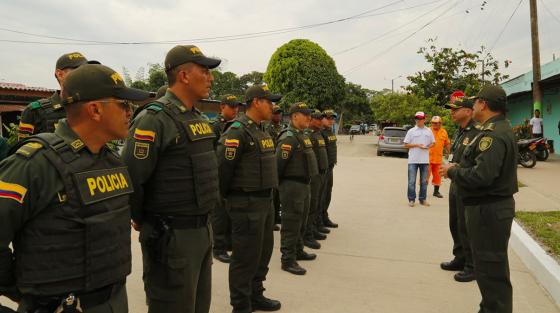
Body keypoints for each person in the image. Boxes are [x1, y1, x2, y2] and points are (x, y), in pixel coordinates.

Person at [0, 64, 150, 312]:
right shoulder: (35, 164)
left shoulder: (111, 161)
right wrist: (20, 290)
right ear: (95, 110)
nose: (130, 112)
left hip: (113, 300)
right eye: (123, 104)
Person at [122, 45, 221, 313]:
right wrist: (146, 221)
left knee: (199, 305)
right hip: (171, 236)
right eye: (204, 71)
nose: (211, 77)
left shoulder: (196, 117)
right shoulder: (154, 119)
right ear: (184, 76)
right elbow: (132, 178)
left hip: (201, 231)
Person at [441, 85, 518, 313]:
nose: (472, 105)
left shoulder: (493, 135)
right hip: (486, 209)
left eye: (475, 102)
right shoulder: (495, 130)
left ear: (483, 104)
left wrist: (453, 172)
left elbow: (482, 176)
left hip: (489, 211)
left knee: (491, 271)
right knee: (488, 270)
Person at [217, 85, 282, 313]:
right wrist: (230, 201)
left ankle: (256, 294)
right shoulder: (237, 131)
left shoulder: (261, 130)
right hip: (245, 204)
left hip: (264, 203)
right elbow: (223, 171)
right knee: (244, 259)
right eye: (269, 102)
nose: (272, 107)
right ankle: (241, 305)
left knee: (262, 254)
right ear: (256, 102)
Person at [439, 96, 479, 283]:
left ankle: (472, 266)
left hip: (467, 184)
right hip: (456, 182)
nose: (452, 112)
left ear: (469, 111)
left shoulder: (477, 132)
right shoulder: (460, 131)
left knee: (466, 226)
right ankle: (460, 257)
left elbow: (476, 162)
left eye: (456, 109)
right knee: (454, 223)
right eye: (451, 109)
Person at [276, 102, 318, 275]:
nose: (309, 118)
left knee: (301, 221)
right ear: (294, 116)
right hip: (292, 186)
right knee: (291, 223)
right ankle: (287, 259)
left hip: (304, 185)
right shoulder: (288, 137)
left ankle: (298, 250)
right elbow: (278, 166)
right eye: (305, 114)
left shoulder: (302, 135)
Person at [17, 52, 98, 141]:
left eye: (86, 71)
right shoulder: (34, 111)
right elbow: (23, 150)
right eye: (78, 71)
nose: (84, 75)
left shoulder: (93, 108)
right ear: (60, 74)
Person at [211, 94, 242, 264]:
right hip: (218, 173)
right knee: (219, 214)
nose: (236, 110)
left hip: (230, 174)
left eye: (237, 106)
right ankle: (218, 248)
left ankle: (227, 242)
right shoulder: (216, 126)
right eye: (232, 106)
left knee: (229, 212)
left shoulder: (234, 126)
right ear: (222, 107)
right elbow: (211, 151)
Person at [303, 110, 329, 250]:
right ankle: (307, 235)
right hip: (314, 175)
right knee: (311, 205)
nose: (320, 121)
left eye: (321, 119)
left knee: (317, 202)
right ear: (311, 120)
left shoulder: (318, 134)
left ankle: (312, 229)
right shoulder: (308, 135)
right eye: (318, 119)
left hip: (322, 173)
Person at [403, 111, 435, 207]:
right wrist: (416, 145)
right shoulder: (411, 131)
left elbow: (433, 142)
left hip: (425, 160)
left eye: (420, 118)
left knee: (424, 181)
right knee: (411, 181)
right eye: (417, 118)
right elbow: (405, 145)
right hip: (413, 160)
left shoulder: (429, 131)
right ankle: (411, 199)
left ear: (424, 119)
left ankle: (422, 199)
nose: (418, 120)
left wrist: (428, 146)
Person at [319, 109, 339, 229]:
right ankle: (319, 220)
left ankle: (324, 216)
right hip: (323, 168)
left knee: (327, 194)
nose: (331, 120)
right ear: (323, 118)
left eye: (333, 118)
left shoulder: (330, 131)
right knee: (321, 195)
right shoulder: (320, 132)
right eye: (329, 118)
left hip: (330, 166)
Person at [267, 105, 285, 230]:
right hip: (271, 162)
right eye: (276, 113)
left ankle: (277, 217)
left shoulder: (282, 127)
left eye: (279, 113)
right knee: (272, 194)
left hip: (280, 162)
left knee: (278, 193)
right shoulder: (267, 127)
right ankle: (271, 220)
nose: (278, 115)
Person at [427, 116, 450, 198]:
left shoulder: (444, 132)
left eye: (436, 123)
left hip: (438, 158)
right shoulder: (427, 131)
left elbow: (447, 143)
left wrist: (448, 152)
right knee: (425, 175)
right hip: (427, 158)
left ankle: (436, 192)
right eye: (433, 123)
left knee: (438, 176)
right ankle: (422, 191)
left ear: (440, 123)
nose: (434, 124)